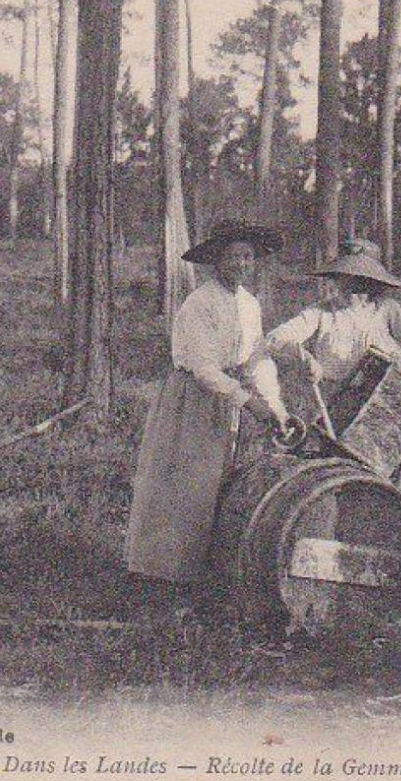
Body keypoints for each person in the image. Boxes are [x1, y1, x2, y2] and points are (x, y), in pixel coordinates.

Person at [125, 219, 292, 587]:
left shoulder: (250, 305)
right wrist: (247, 401)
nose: (241, 264)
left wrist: (275, 408)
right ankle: (165, 574)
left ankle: (208, 573)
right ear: (217, 260)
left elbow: (257, 360)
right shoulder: (199, 302)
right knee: (186, 484)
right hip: (194, 398)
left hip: (230, 398)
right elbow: (203, 368)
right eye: (233, 257)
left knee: (225, 485)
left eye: (247, 257)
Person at [265, 239, 401, 514]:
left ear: (375, 282)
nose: (355, 288)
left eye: (363, 281)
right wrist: (303, 356)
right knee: (341, 484)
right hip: (340, 412)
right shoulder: (322, 313)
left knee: (400, 488)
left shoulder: (387, 311)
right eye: (348, 279)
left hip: (389, 413)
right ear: (338, 279)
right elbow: (276, 338)